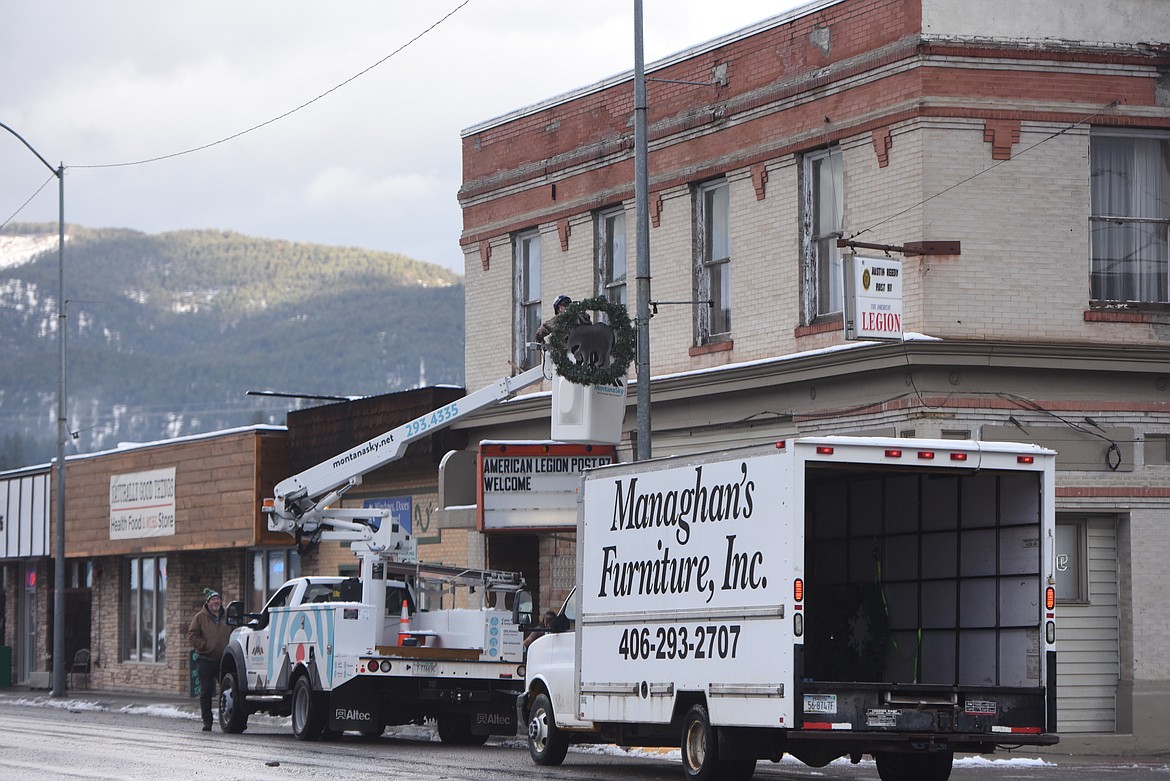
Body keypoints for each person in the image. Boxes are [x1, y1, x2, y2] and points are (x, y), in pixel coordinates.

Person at [188, 587, 233, 731]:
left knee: (228, 690)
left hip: (224, 660)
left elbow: (235, 630)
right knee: (206, 691)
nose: (216, 601)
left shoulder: (227, 616)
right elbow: (192, 635)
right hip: (206, 659)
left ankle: (227, 718)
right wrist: (203, 646)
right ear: (208, 602)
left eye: (218, 599)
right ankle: (207, 721)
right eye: (213, 599)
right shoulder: (200, 617)